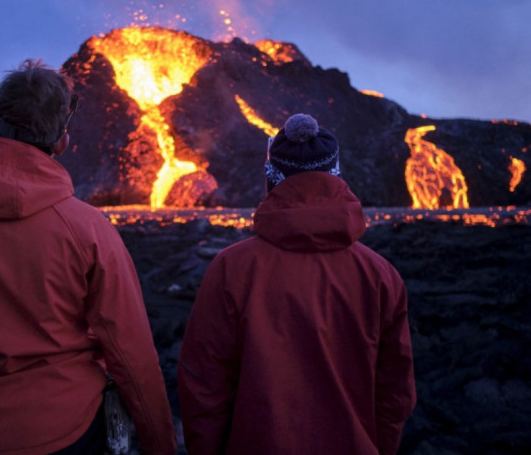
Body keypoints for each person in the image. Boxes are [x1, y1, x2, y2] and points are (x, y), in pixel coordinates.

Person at [0, 59, 176, 455]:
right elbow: (132, 352)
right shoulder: (87, 229)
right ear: (61, 140)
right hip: (68, 434)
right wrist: (159, 444)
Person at [178, 113, 416, 454]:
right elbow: (396, 393)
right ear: (336, 177)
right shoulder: (380, 275)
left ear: (273, 179)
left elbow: (203, 385)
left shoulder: (232, 269)